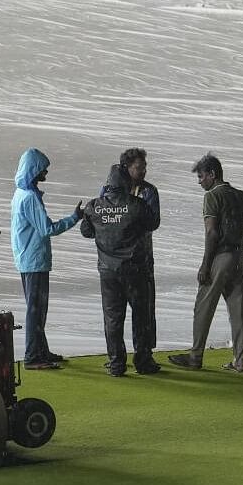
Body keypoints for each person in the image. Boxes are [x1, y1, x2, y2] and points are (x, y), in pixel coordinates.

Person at [167, 153, 243, 372]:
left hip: (220, 257)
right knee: (237, 310)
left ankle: (195, 356)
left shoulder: (212, 196)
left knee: (203, 306)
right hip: (239, 257)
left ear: (212, 174)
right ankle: (239, 360)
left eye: (201, 176)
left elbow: (212, 233)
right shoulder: (240, 195)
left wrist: (205, 265)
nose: (200, 181)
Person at [82, 164, 162, 377]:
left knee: (112, 318)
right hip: (135, 270)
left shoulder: (93, 207)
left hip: (107, 272)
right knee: (140, 316)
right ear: (126, 183)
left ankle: (117, 362)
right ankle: (143, 361)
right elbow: (153, 223)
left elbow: (86, 232)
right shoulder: (137, 205)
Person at [11, 147, 82, 370]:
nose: (46, 173)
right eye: (44, 169)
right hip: (34, 260)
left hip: (27, 257)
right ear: (35, 170)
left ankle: (40, 349)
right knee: (36, 309)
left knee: (37, 308)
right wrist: (75, 218)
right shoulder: (30, 197)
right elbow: (47, 229)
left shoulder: (20, 193)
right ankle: (33, 355)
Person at [99, 148, 160, 352]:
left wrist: (126, 225)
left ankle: (144, 352)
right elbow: (102, 220)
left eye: (144, 167)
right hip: (115, 259)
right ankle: (121, 356)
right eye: (138, 167)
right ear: (125, 168)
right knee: (116, 313)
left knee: (144, 310)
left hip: (141, 258)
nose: (143, 171)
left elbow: (154, 223)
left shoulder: (149, 191)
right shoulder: (107, 191)